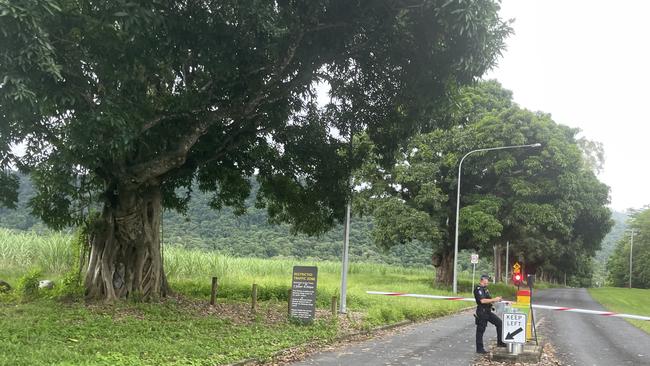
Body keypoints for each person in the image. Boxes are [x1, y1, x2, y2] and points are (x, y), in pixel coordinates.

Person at [474, 274, 506, 353]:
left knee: (499, 323)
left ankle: (500, 342)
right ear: (483, 280)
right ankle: (479, 349)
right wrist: (494, 299)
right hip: (482, 312)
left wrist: (496, 300)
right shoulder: (478, 289)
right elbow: (482, 300)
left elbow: (489, 299)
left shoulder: (485, 289)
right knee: (481, 330)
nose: (488, 281)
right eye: (487, 279)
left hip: (488, 311)